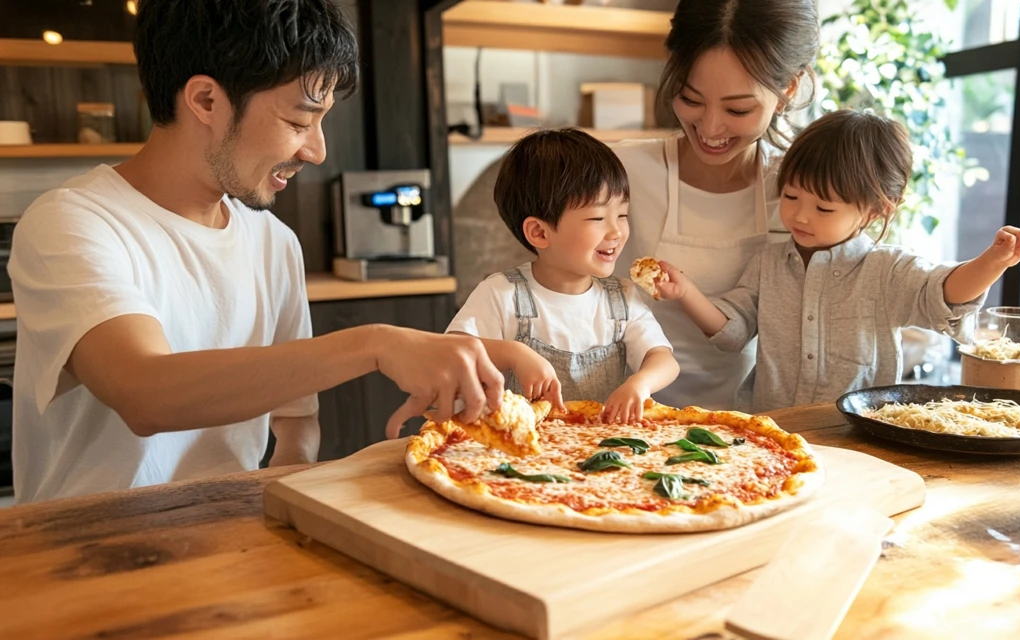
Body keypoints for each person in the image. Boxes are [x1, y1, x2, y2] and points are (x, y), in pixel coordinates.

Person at [7, 0, 502, 503]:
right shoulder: (73, 221)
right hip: (83, 556)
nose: (317, 150)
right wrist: (376, 344)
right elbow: (144, 391)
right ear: (205, 100)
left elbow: (295, 419)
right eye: (298, 121)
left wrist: (286, 485)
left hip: (228, 542)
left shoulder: (273, 241)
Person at [655, 110, 1020, 412]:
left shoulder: (886, 269)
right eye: (791, 197)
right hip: (775, 430)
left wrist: (993, 261)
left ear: (876, 211)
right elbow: (733, 330)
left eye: (824, 207)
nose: (800, 216)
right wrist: (686, 291)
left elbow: (942, 295)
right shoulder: (769, 263)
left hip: (858, 437)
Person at [613, 0, 823, 411]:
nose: (710, 129)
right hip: (620, 414)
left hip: (755, 422)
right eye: (691, 100)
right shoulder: (620, 170)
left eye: (738, 109)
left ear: (788, 90)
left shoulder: (803, 192)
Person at [437, 129, 679, 430]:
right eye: (597, 218)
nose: (616, 231)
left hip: (600, 452)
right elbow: (451, 353)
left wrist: (641, 383)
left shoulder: (623, 298)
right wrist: (515, 353)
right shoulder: (501, 293)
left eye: (622, 214)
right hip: (520, 452)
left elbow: (664, 359)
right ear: (539, 232)